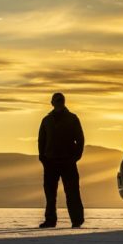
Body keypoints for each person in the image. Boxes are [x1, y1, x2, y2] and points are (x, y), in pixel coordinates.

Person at [37, 92, 85, 228]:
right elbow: (41, 140)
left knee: (72, 192)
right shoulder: (46, 120)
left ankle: (77, 220)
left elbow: (80, 139)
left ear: (63, 102)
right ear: (52, 103)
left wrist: (75, 157)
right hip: (50, 162)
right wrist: (43, 157)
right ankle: (50, 220)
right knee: (50, 194)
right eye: (56, 101)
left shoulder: (72, 118)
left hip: (68, 162)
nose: (58, 103)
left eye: (60, 100)